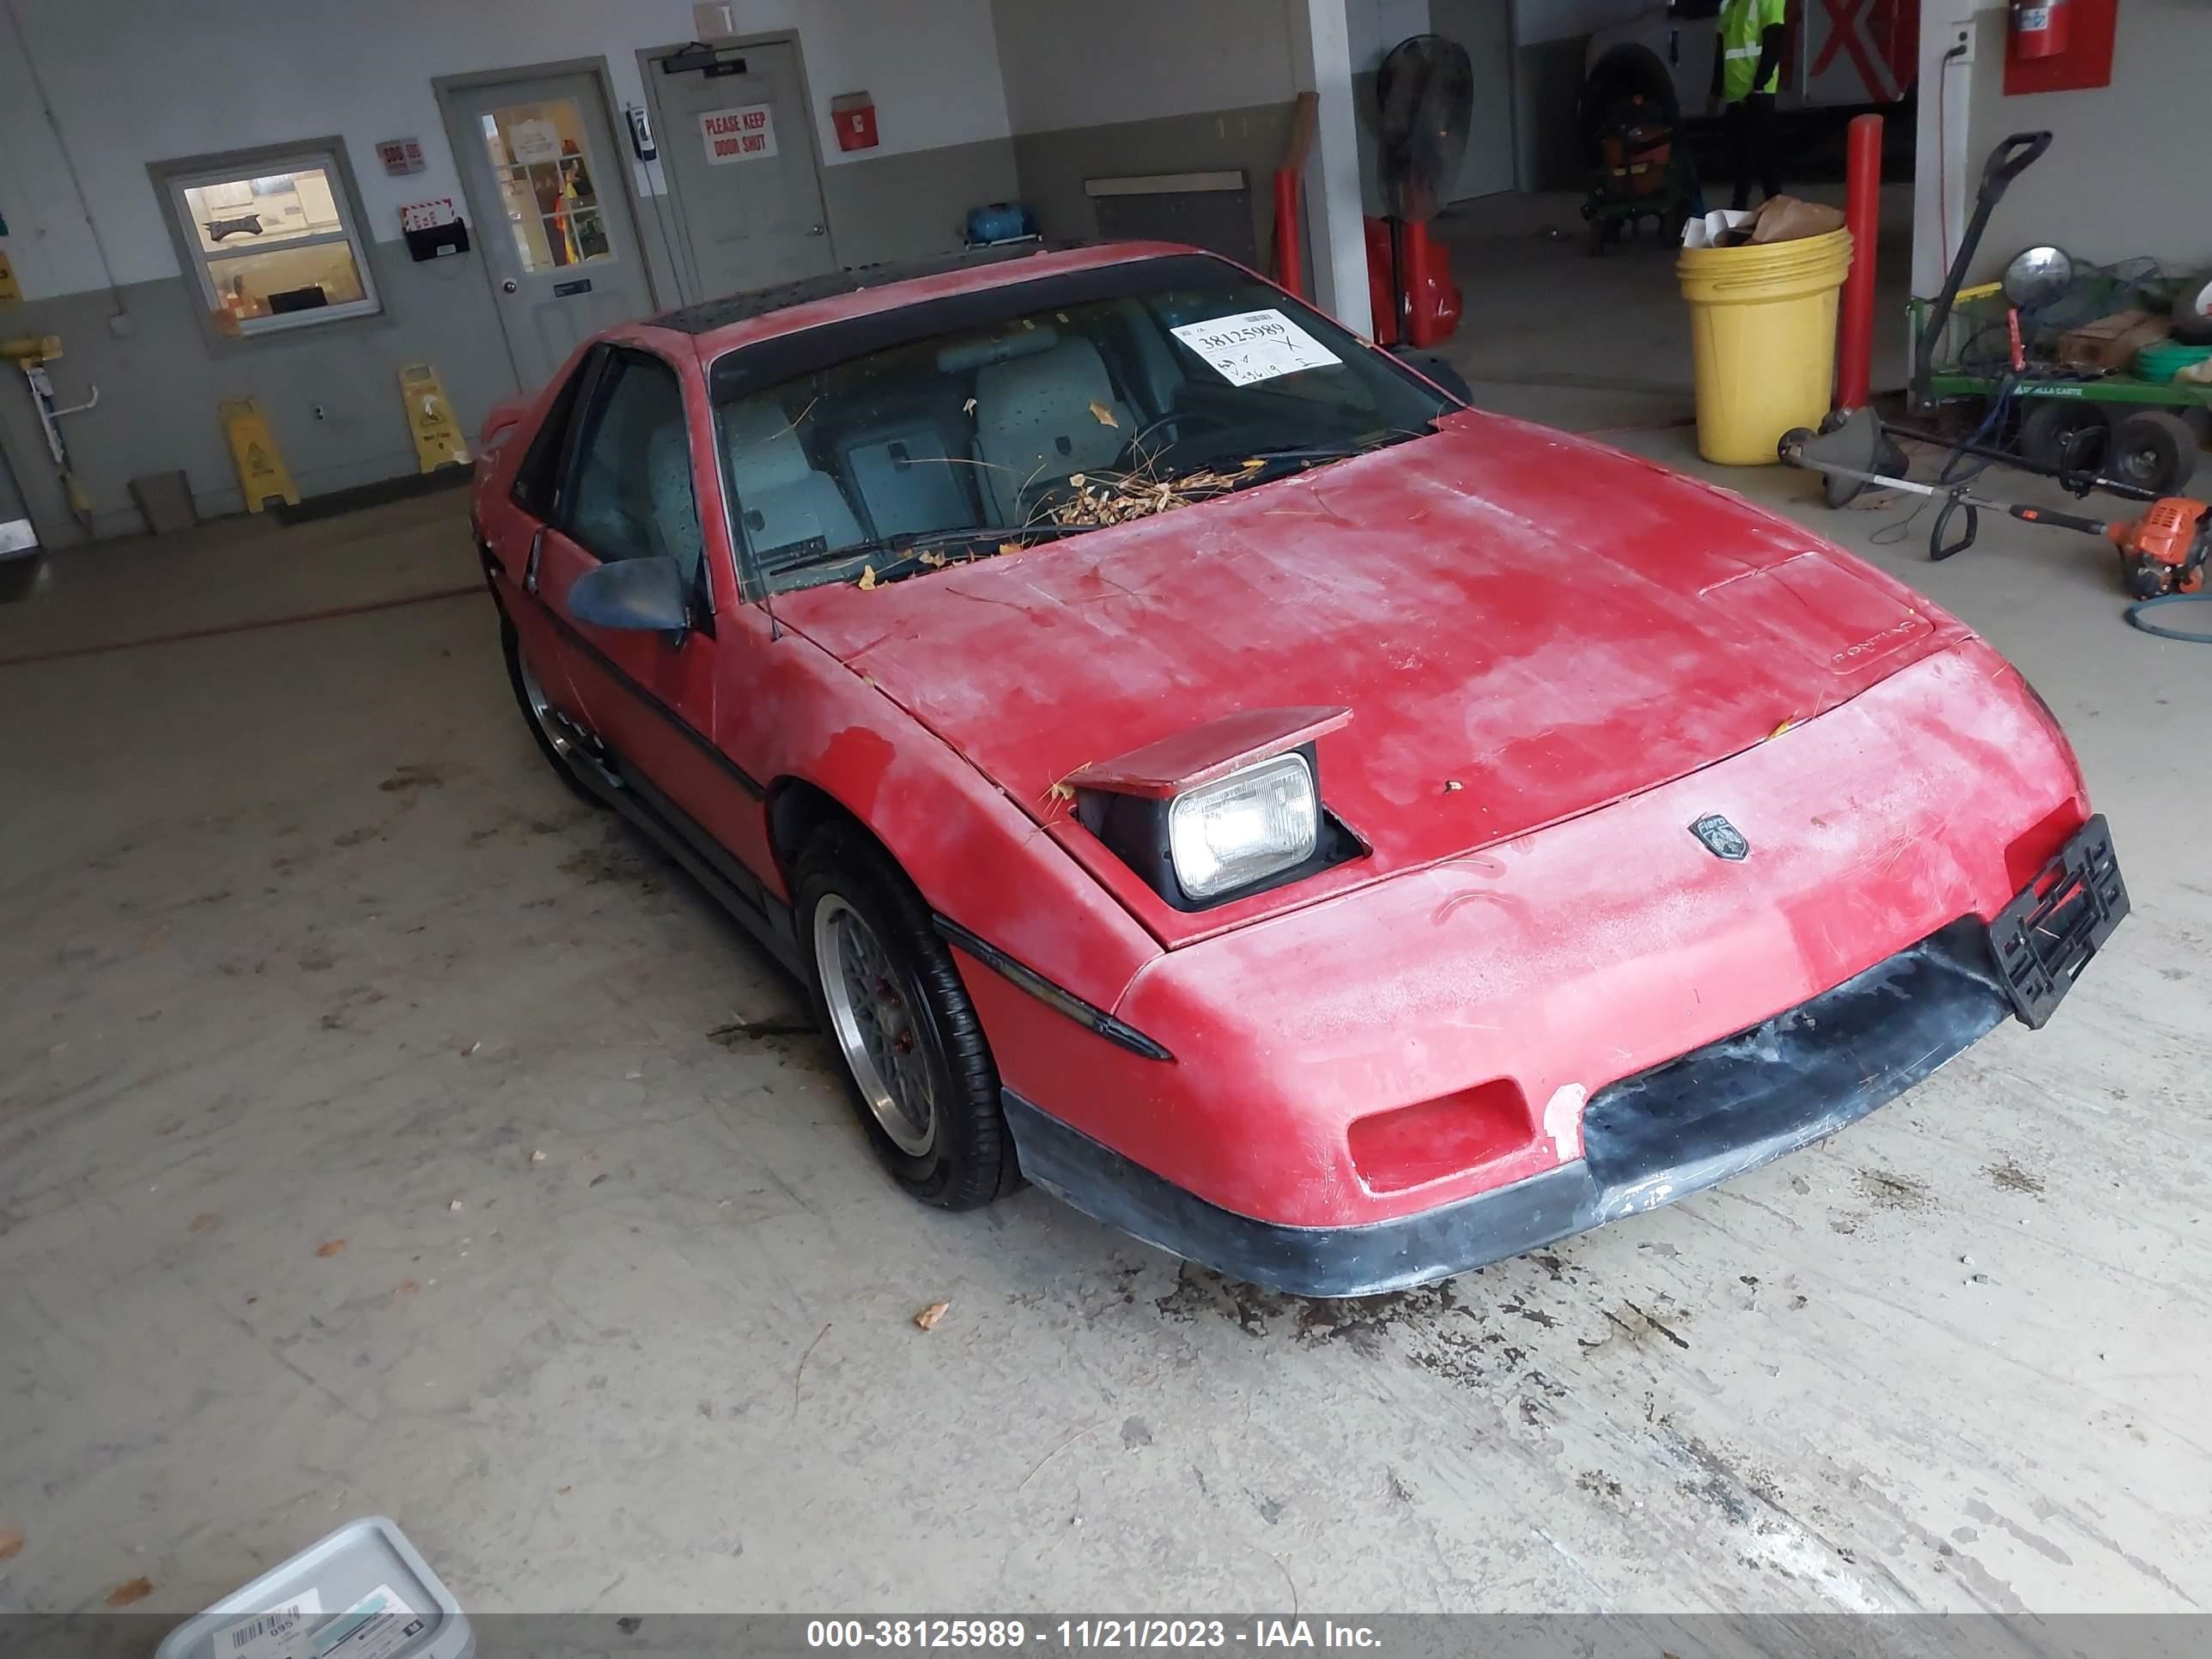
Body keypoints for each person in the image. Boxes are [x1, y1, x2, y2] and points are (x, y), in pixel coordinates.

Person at [1711, 0, 1787, 212]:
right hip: (1735, 93)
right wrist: (1716, 91)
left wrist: (1759, 84)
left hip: (1759, 93)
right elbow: (1721, 51)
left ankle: (1777, 209)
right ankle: (1739, 209)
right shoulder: (1727, 4)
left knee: (1764, 155)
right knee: (1740, 157)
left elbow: (1774, 39)